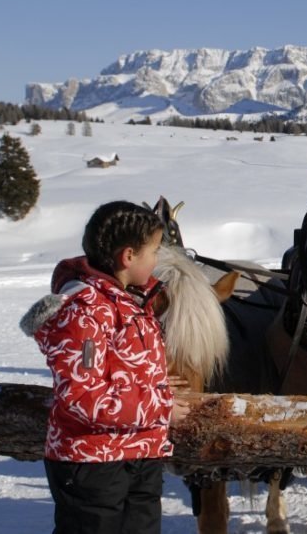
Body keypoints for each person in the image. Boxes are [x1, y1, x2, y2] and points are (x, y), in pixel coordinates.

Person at [19, 200, 189, 534]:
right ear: (128, 256)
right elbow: (83, 395)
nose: (156, 261)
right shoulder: (84, 311)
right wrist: (160, 407)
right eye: (154, 251)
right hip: (93, 462)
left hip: (139, 453)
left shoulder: (130, 302)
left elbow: (120, 367)